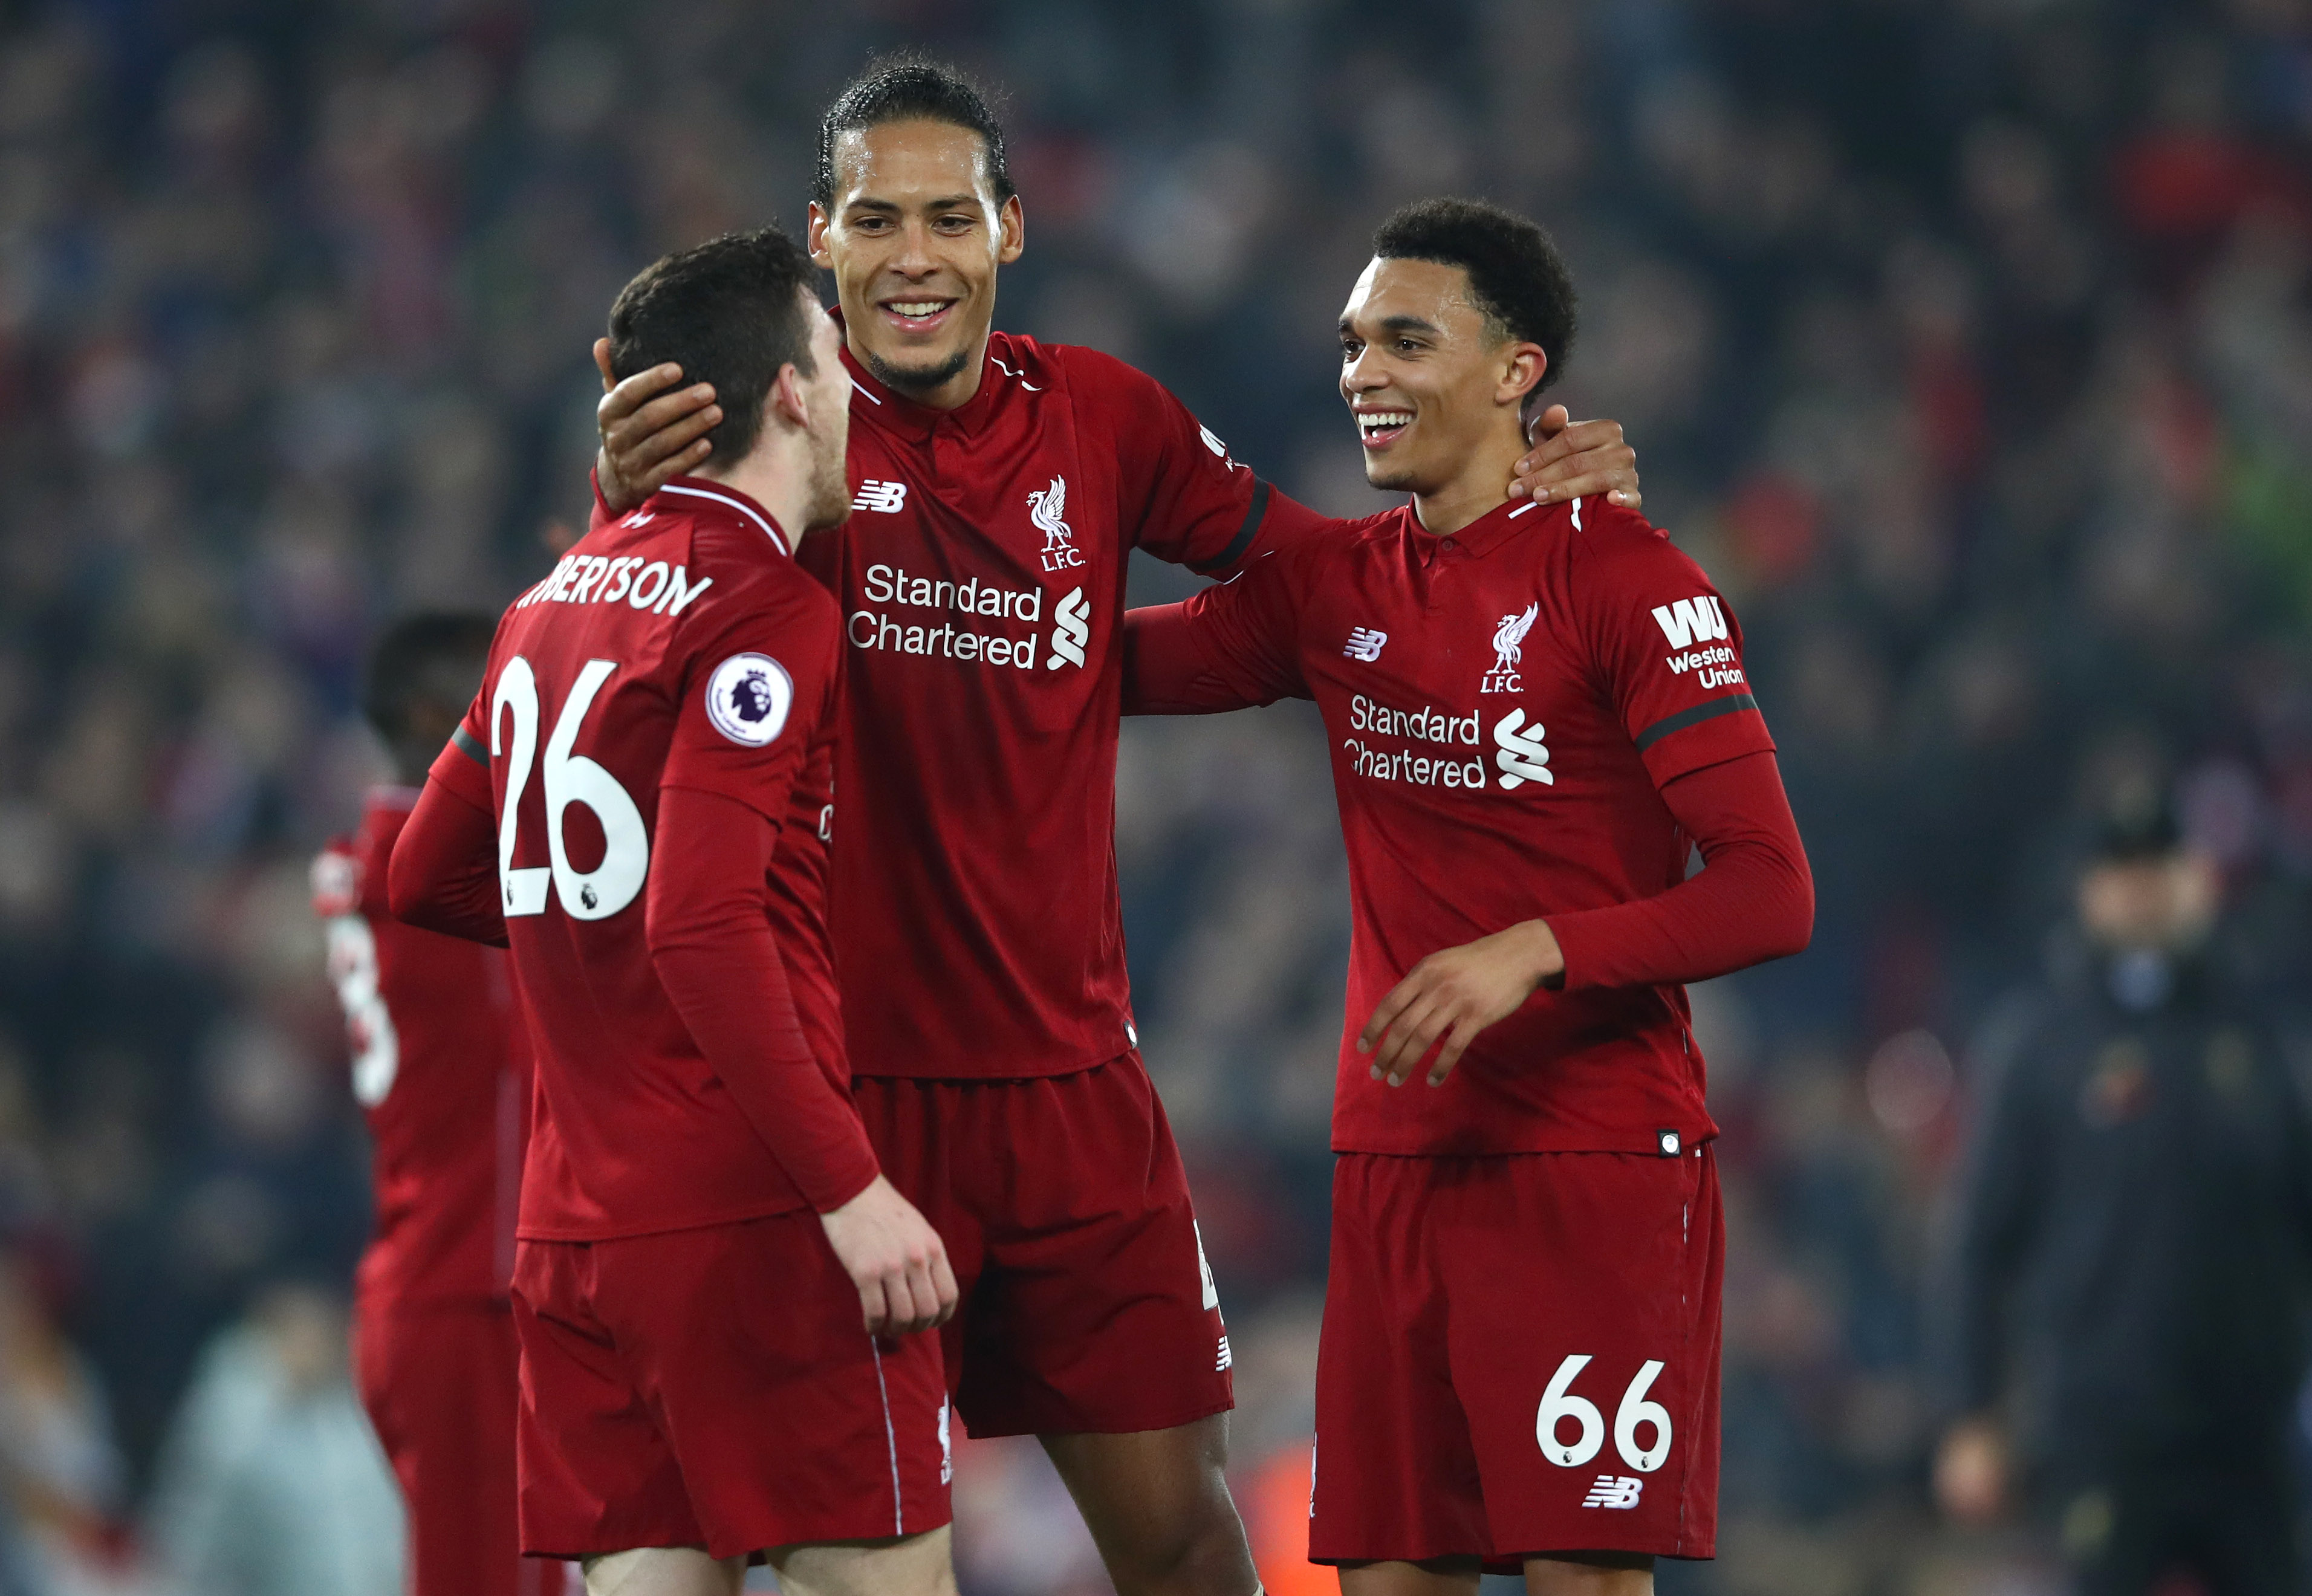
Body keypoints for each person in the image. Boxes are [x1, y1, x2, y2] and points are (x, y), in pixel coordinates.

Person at [588, 60, 1648, 1596]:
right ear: (821, 236)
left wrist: (1511, 512)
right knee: (847, 1568)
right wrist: (611, 497)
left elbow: (1317, 582)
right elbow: (622, 645)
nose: (914, 256)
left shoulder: (1100, 416)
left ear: (1010, 227)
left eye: (951, 217)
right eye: (876, 220)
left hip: (1077, 1100)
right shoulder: (788, 437)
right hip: (847, 1105)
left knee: (1189, 1550)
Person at [1120, 198, 1814, 1594]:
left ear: (1518, 371)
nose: (1360, 372)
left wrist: (1539, 953)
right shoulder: (1330, 588)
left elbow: (1770, 891)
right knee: (1386, 1580)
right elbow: (1081, 667)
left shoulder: (1632, 579)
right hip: (1393, 1165)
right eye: (1352, 341)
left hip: (1591, 1164)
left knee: (1576, 1577)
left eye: (1405, 339)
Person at [389, 224, 960, 1596]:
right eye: (831, 356)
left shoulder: (541, 610)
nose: (849, 392)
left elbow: (430, 874)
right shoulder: (764, 608)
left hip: (576, 1237)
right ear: (785, 393)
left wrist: (585, 932)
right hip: (752, 1222)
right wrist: (853, 1191)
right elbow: (701, 926)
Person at [1931, 778, 2312, 1596]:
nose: (2141, 889)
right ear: (2088, 890)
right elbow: (1980, 1245)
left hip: (2247, 1427)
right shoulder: (2041, 1048)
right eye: (2121, 869)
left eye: (2159, 865)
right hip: (2101, 1424)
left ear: (2196, 879)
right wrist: (1973, 1414)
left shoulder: (2256, 1036)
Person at [311, 612, 566, 1596]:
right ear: (434, 716)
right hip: (464, 1294)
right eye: (497, 689)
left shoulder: (369, 861)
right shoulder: (411, 870)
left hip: (462, 1286)